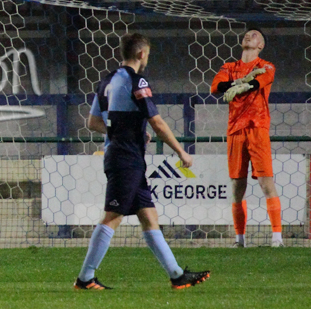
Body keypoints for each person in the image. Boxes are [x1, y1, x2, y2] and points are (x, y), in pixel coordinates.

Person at [75, 32, 210, 290]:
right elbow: (157, 122)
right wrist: (181, 152)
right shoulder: (137, 81)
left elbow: (92, 122)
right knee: (113, 217)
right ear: (141, 53)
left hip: (124, 156)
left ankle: (177, 275)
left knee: (149, 216)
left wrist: (124, 131)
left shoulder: (107, 80)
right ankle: (85, 278)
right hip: (125, 158)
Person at [211, 28, 282, 247]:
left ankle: (277, 238)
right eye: (247, 34)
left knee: (265, 182)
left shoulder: (266, 66)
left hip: (257, 127)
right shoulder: (229, 67)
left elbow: (257, 83)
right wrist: (238, 82)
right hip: (235, 130)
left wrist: (243, 85)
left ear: (261, 45)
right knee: (237, 186)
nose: (249, 36)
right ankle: (239, 239)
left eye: (255, 35)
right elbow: (216, 87)